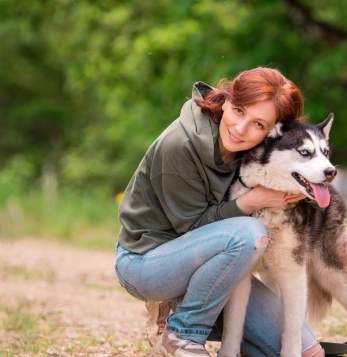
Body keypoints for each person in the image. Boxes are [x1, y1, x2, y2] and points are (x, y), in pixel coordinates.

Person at [114, 67, 324, 357]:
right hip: (147, 262)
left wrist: (301, 187)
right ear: (226, 100)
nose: (240, 129)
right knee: (248, 234)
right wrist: (254, 200)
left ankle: (193, 311)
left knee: (308, 352)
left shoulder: (262, 150)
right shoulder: (181, 145)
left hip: (217, 265)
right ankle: (182, 334)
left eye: (259, 124)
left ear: (274, 132)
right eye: (238, 111)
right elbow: (193, 227)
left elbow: (313, 172)